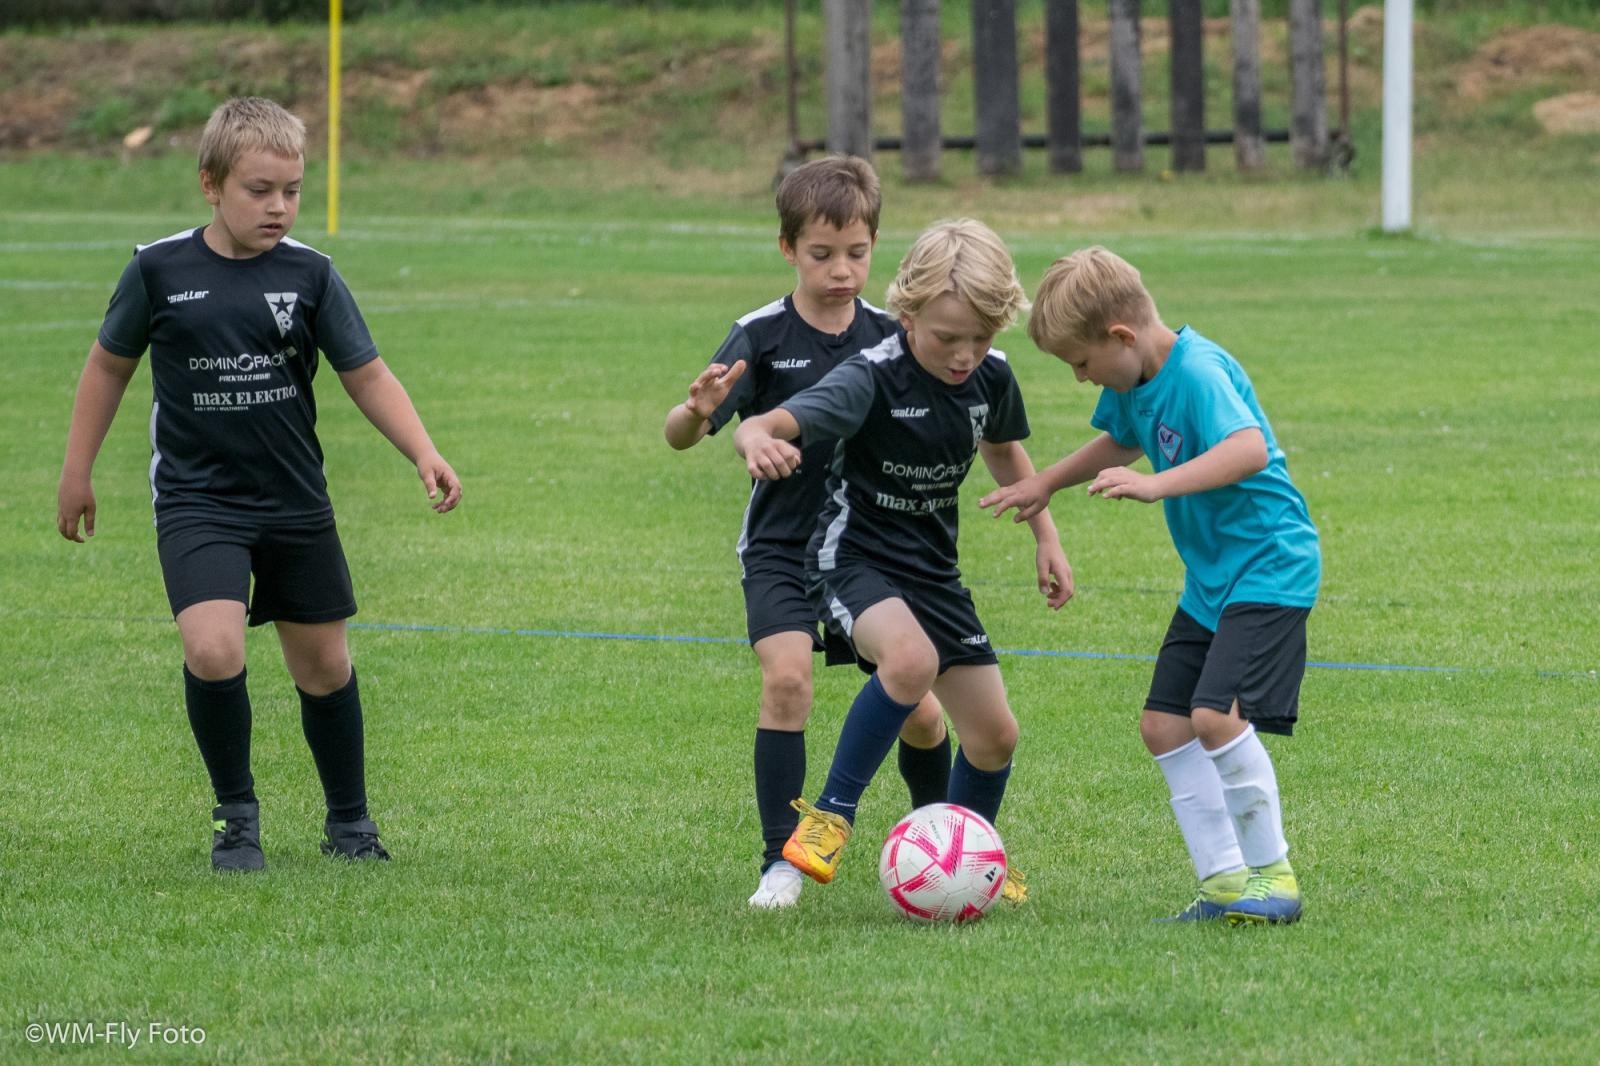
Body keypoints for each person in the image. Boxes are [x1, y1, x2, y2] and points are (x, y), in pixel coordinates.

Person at [56, 97, 461, 872]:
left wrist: (423, 450)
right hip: (197, 500)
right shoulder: (158, 269)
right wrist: (77, 472)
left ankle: (349, 822)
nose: (279, 206)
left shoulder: (311, 274)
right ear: (211, 184)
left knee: (324, 667)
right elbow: (108, 366)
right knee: (213, 650)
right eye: (259, 189)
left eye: (293, 189)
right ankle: (235, 820)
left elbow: (366, 374)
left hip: (293, 500)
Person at [733, 218, 1072, 900]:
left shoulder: (992, 377)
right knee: (911, 663)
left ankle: (959, 863)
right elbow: (774, 421)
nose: (964, 355)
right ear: (908, 312)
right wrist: (752, 433)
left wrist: (1046, 536)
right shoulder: (870, 377)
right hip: (851, 556)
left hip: (932, 569)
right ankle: (823, 827)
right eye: (948, 338)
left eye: (980, 338)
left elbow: (1003, 450)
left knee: (995, 735)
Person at [979, 245, 1320, 925]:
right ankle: (1224, 881)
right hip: (1212, 582)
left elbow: (1247, 448)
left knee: (1214, 716)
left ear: (1121, 337)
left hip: (1270, 567)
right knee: (1164, 726)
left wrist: (1158, 484)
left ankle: (1274, 877)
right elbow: (1121, 440)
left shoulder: (1196, 371)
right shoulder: (1134, 383)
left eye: (1081, 362)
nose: (1081, 379)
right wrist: (1045, 482)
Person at [664, 156, 951, 910]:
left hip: (867, 552)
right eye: (823, 255)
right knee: (787, 680)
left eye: (858, 253)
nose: (843, 271)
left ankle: (944, 850)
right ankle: (779, 863)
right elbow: (679, 434)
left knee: (921, 708)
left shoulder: (896, 337)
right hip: (783, 550)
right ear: (788, 247)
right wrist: (699, 413)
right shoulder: (761, 334)